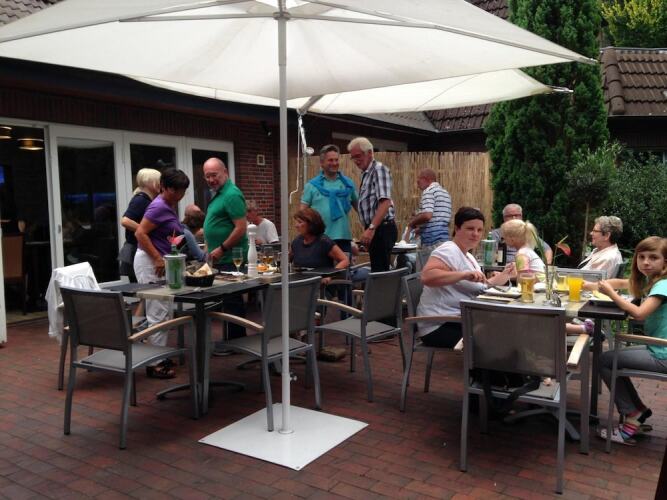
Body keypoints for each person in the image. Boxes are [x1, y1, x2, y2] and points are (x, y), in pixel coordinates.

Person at [597, 236, 667, 445]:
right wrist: (593, 285)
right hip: (658, 348)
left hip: (663, 353)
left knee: (605, 361)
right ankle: (638, 411)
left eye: (653, 257)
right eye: (641, 257)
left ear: (665, 262)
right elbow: (622, 283)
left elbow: (639, 313)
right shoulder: (652, 280)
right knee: (608, 359)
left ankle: (632, 414)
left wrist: (611, 293)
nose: (646, 262)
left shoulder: (663, 285)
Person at [417, 207, 515, 348]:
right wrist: (463, 275)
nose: (475, 234)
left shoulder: (468, 255)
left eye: (479, 230)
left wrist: (505, 275)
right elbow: (426, 277)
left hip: (459, 319)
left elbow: (482, 286)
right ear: (457, 228)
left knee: (507, 327)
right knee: (500, 336)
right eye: (470, 229)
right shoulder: (448, 250)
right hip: (439, 325)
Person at [134, 168, 190, 378]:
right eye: (175, 191)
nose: (179, 195)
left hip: (158, 261)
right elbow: (140, 232)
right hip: (150, 262)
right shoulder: (158, 206)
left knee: (163, 311)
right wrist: (157, 257)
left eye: (182, 191)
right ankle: (155, 364)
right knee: (157, 312)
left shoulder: (168, 205)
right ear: (164, 187)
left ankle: (158, 355)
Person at [202, 157, 248, 342]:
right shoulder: (219, 193)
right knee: (228, 302)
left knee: (232, 301)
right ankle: (233, 341)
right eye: (207, 176)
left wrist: (221, 248)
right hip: (221, 258)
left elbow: (241, 228)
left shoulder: (231, 194)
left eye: (214, 175)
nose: (211, 180)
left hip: (231, 258)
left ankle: (236, 342)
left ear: (225, 172)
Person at [348, 137, 396, 271]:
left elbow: (385, 202)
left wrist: (371, 228)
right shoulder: (366, 174)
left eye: (358, 156)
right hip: (376, 229)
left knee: (380, 273)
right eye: (353, 157)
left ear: (369, 153)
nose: (356, 160)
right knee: (377, 269)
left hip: (381, 228)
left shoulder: (378, 170)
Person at [300, 144, 358, 254]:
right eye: (330, 160)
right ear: (322, 163)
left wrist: (370, 228)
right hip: (319, 238)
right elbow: (302, 214)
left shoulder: (348, 184)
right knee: (320, 266)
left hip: (343, 239)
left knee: (344, 265)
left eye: (336, 160)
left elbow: (360, 208)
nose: (334, 163)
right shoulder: (311, 186)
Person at [119, 168, 161, 282]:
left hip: (138, 249)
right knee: (142, 288)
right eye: (159, 181)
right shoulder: (141, 200)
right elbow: (125, 221)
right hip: (135, 250)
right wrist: (144, 230)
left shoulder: (145, 199)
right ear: (151, 183)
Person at [290, 208, 349, 284]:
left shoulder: (324, 242)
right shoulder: (297, 242)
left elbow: (345, 260)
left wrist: (329, 276)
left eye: (300, 222)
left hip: (320, 285)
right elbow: (288, 260)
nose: (296, 225)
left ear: (311, 224)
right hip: (300, 283)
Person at [408, 168, 451, 253]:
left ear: (426, 179)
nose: (417, 184)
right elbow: (441, 219)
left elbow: (427, 215)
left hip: (432, 241)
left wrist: (412, 223)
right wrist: (421, 229)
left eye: (419, 180)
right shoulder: (445, 193)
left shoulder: (428, 191)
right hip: (444, 240)